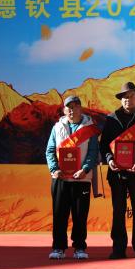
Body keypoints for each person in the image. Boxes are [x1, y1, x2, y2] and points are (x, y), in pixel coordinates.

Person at [100, 82, 135, 259]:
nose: (128, 99)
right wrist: (109, 160)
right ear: (121, 99)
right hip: (116, 172)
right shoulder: (111, 119)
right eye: (124, 97)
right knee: (118, 210)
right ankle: (118, 248)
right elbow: (104, 145)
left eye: (131, 96)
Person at [45, 95, 100, 260]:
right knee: (59, 215)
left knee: (80, 215)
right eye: (68, 107)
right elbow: (50, 150)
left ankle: (80, 247)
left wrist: (85, 169)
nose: (71, 110)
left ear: (80, 108)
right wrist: (54, 169)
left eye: (75, 106)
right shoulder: (57, 128)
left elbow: (93, 152)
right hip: (61, 179)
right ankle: (58, 248)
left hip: (81, 178)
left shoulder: (89, 128)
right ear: (64, 110)